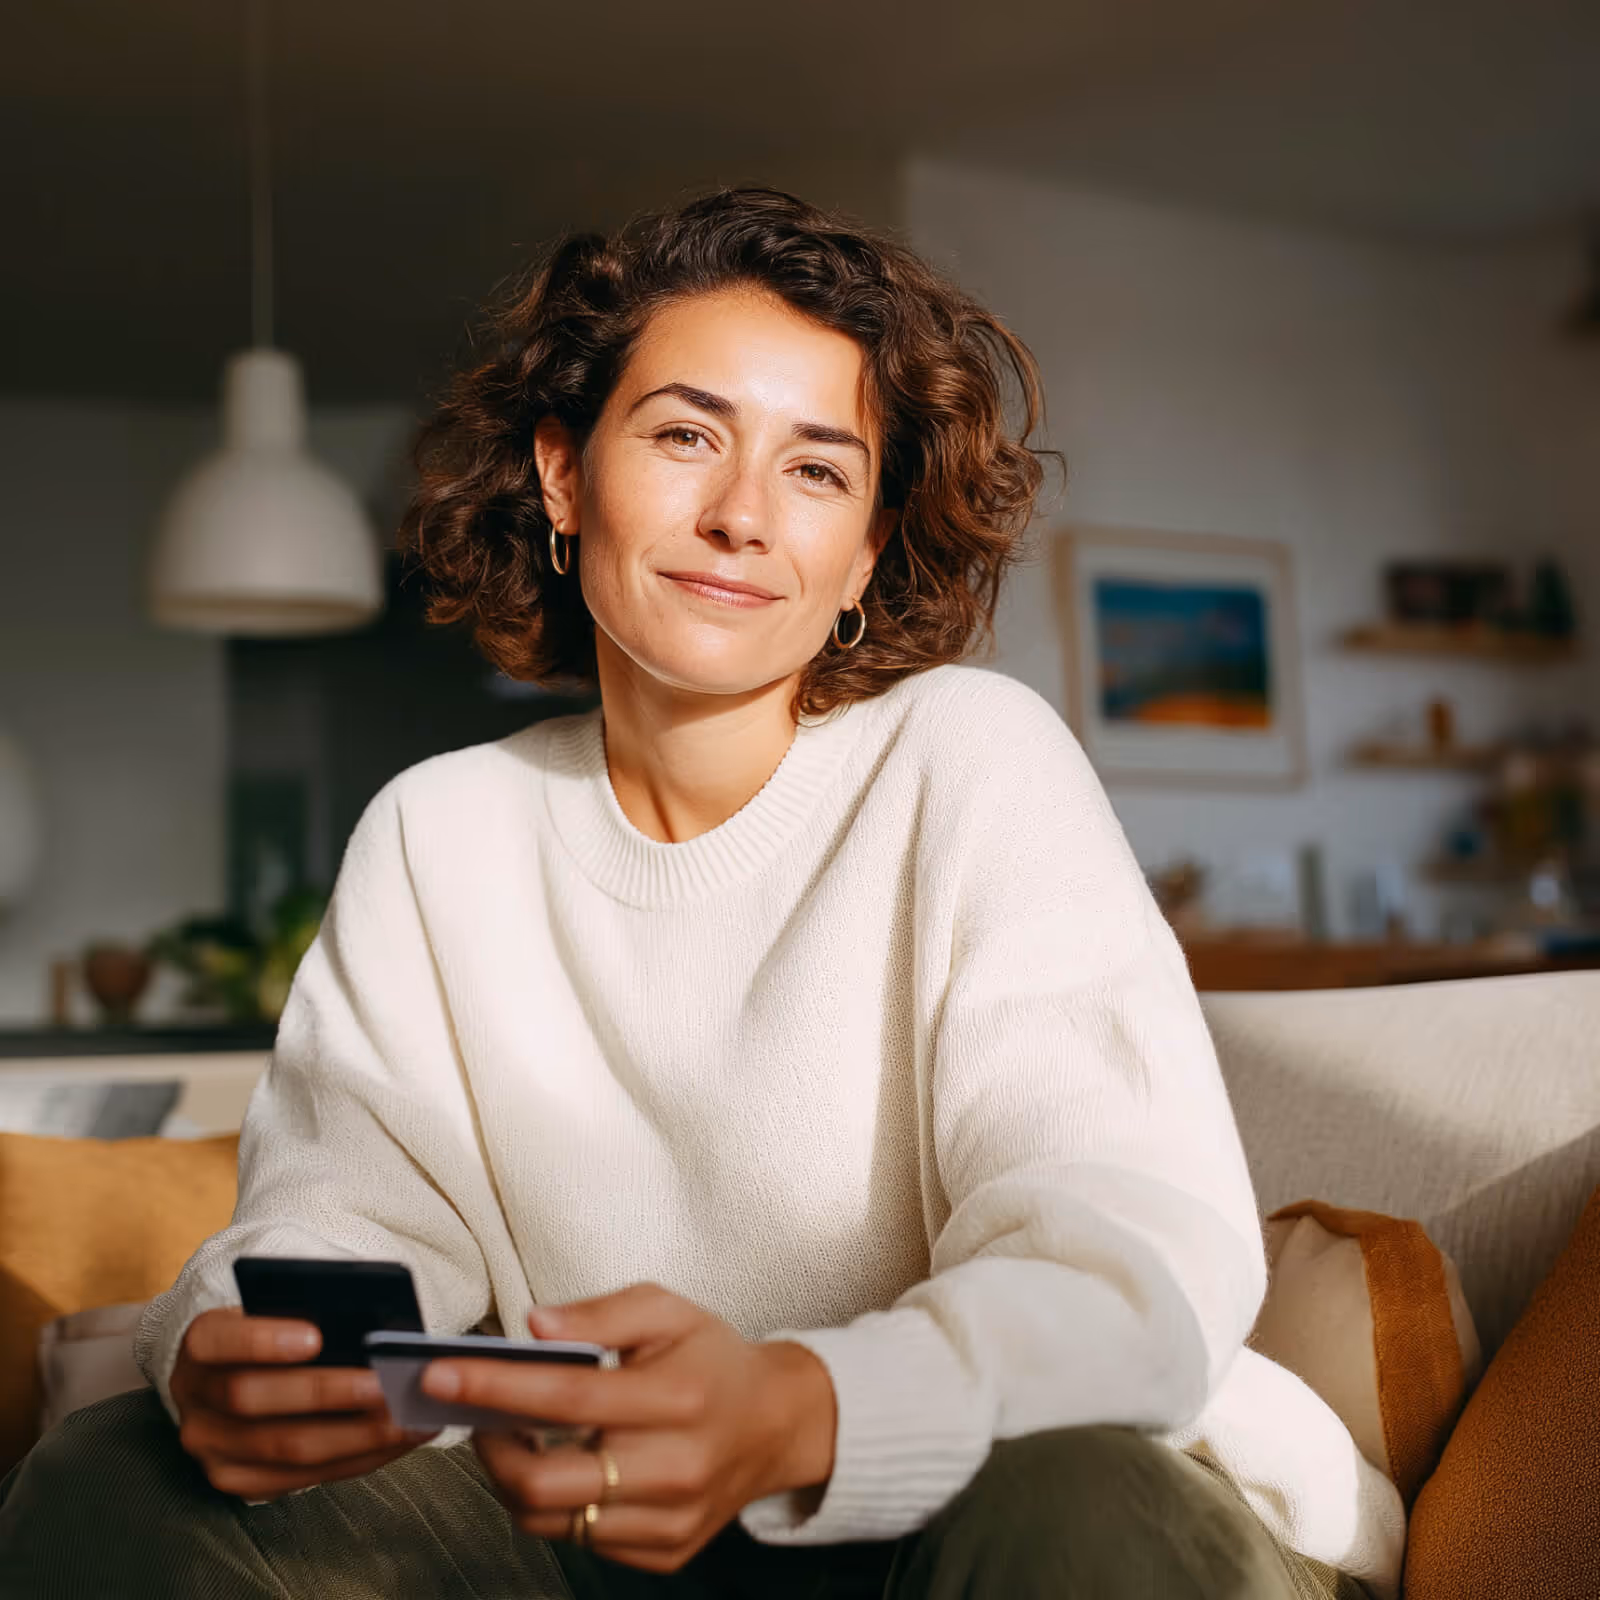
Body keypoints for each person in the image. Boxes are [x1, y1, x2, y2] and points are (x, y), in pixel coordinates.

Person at [0, 188, 1380, 1599]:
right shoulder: (439, 834)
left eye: (817, 472)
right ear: (560, 475)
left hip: (997, 1492)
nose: (739, 516)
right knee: (111, 1482)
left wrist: (797, 1405)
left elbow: (1123, 1248)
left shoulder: (971, 759)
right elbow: (350, 1227)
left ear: (863, 549)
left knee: (1077, 1495)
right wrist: (245, 1340)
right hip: (592, 1525)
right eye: (684, 435)